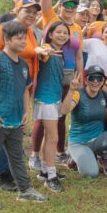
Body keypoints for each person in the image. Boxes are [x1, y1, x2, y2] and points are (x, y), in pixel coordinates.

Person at [0, 21, 47, 211]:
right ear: (7, 39)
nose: (23, 41)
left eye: (25, 38)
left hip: (15, 121)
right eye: (19, 38)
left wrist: (26, 112)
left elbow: (25, 89)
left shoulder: (23, 64)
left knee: (17, 158)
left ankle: (25, 190)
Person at [37, 0, 86, 166]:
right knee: (44, 114)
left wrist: (80, 76)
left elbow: (79, 55)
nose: (70, 8)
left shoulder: (77, 28)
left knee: (61, 114)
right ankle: (35, 154)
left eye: (73, 5)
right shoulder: (52, 18)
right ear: (61, 5)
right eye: (66, 4)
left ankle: (58, 151)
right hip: (49, 72)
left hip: (68, 74)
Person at [60, 66, 107, 177]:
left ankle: (104, 158)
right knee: (91, 174)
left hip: (98, 139)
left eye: (99, 78)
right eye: (92, 78)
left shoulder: (103, 95)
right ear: (86, 80)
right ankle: (74, 158)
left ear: (103, 81)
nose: (95, 81)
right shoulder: (78, 94)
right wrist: (71, 90)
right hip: (79, 142)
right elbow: (64, 110)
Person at [28, 21, 70, 192]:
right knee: (53, 138)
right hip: (46, 98)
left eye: (65, 32)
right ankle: (51, 176)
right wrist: (42, 50)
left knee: (49, 136)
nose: (62, 35)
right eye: (58, 32)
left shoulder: (61, 53)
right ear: (50, 34)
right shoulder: (47, 48)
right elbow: (39, 52)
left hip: (53, 97)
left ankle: (45, 171)